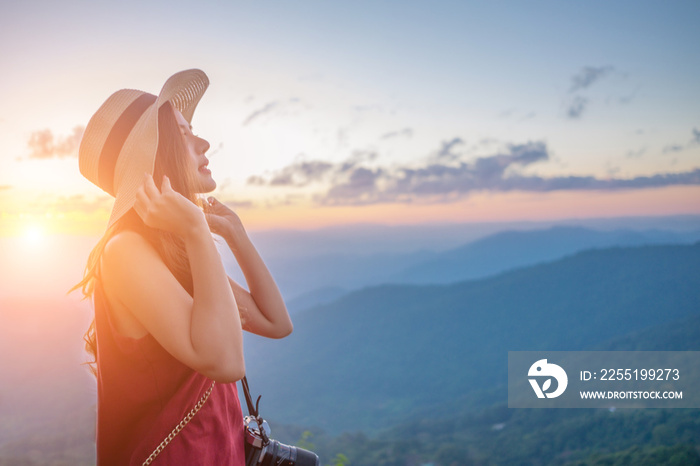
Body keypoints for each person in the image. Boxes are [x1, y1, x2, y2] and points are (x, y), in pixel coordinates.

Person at [73, 69, 293, 465]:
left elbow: (276, 323)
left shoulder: (175, 255)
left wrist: (236, 235)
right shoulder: (125, 252)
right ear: (155, 154)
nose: (204, 142)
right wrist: (194, 226)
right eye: (185, 133)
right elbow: (228, 363)